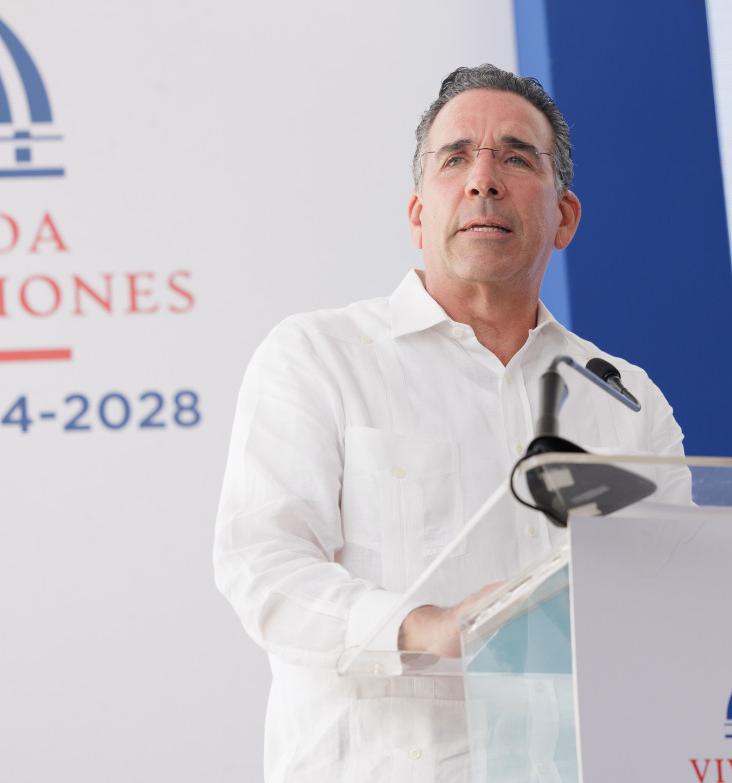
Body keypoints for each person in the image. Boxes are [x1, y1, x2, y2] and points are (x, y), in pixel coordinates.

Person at [214, 64, 687, 782]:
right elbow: (262, 566)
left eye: (516, 159)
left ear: (565, 217)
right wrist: (424, 627)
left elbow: (674, 599)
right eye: (455, 158)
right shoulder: (320, 357)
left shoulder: (626, 400)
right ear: (417, 215)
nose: (483, 181)